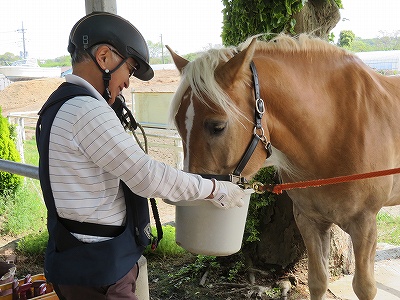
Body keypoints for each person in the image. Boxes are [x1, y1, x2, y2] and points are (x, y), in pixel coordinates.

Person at [35, 12, 246, 300]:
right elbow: (147, 177)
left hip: (81, 260)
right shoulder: (86, 111)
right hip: (100, 272)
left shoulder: (60, 105)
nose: (127, 83)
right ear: (105, 57)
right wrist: (216, 188)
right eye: (130, 69)